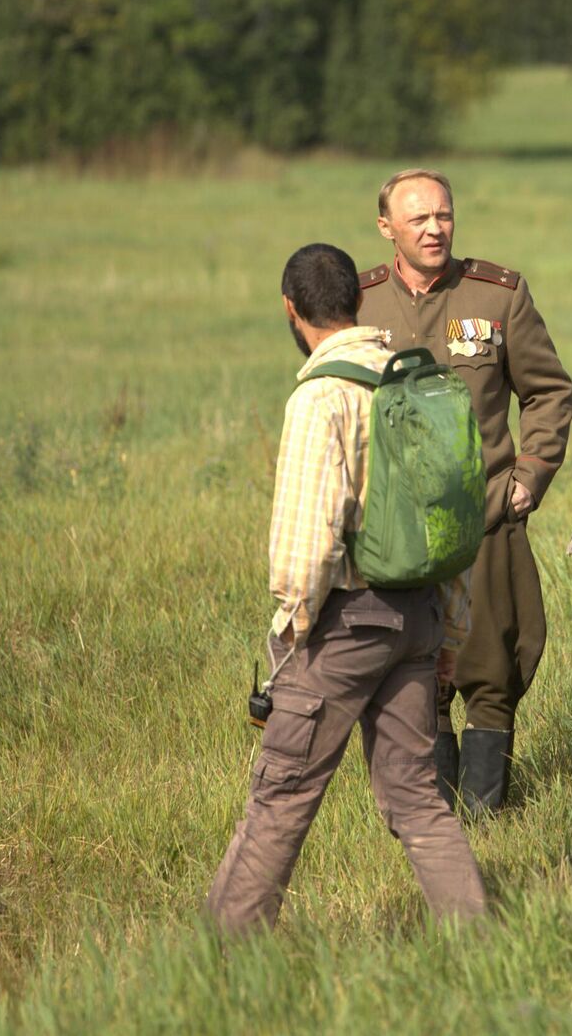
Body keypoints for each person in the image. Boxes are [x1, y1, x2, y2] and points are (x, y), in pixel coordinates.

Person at [205, 243, 486, 931]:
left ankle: (223, 953)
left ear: (290, 308)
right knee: (418, 797)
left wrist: (292, 629)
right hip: (418, 615)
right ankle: (478, 939)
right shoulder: (411, 378)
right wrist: (448, 632)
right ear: (359, 301)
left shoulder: (320, 394)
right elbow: (446, 519)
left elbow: (307, 544)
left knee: (282, 793)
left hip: (343, 624)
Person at [357, 168, 572, 814]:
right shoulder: (360, 303)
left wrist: (529, 477)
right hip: (393, 525)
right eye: (419, 218)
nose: (434, 228)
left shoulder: (497, 294)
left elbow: (548, 390)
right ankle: (432, 811)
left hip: (484, 511)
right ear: (386, 227)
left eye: (444, 215)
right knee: (411, 669)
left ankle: (486, 814)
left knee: (492, 663)